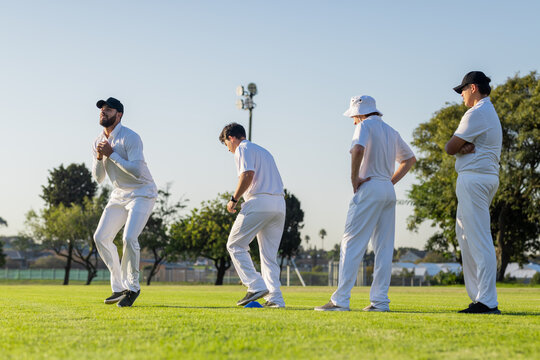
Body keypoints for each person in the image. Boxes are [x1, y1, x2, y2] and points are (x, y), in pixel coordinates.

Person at [315, 95, 416, 312]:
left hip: (369, 187)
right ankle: (379, 302)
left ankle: (340, 300)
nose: (353, 121)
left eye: (353, 116)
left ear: (360, 114)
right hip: (387, 190)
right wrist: (389, 182)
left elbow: (357, 150)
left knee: (351, 243)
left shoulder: (364, 126)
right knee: (384, 248)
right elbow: (409, 159)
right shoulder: (390, 130)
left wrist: (354, 179)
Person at [445, 71, 502, 314]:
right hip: (480, 179)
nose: (461, 96)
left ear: (474, 88)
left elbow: (449, 147)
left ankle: (487, 301)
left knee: (478, 240)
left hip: (475, 180)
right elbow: (457, 147)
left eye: (463, 90)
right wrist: (461, 148)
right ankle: (479, 297)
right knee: (466, 237)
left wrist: (459, 148)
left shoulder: (477, 113)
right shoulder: (485, 112)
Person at [92, 97, 157, 307]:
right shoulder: (97, 141)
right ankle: (118, 288)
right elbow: (99, 178)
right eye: (102, 109)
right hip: (119, 194)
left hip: (142, 191)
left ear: (119, 115)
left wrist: (112, 155)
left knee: (129, 238)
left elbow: (137, 172)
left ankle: (133, 287)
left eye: (108, 110)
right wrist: (100, 158)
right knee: (101, 237)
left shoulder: (130, 137)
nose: (103, 112)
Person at [219, 123, 286, 308]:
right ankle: (275, 300)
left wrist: (234, 199)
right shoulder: (264, 151)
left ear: (231, 138)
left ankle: (255, 285)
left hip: (259, 201)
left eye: (227, 145)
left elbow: (247, 174)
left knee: (234, 244)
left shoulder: (243, 148)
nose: (229, 150)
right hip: (279, 203)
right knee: (268, 257)